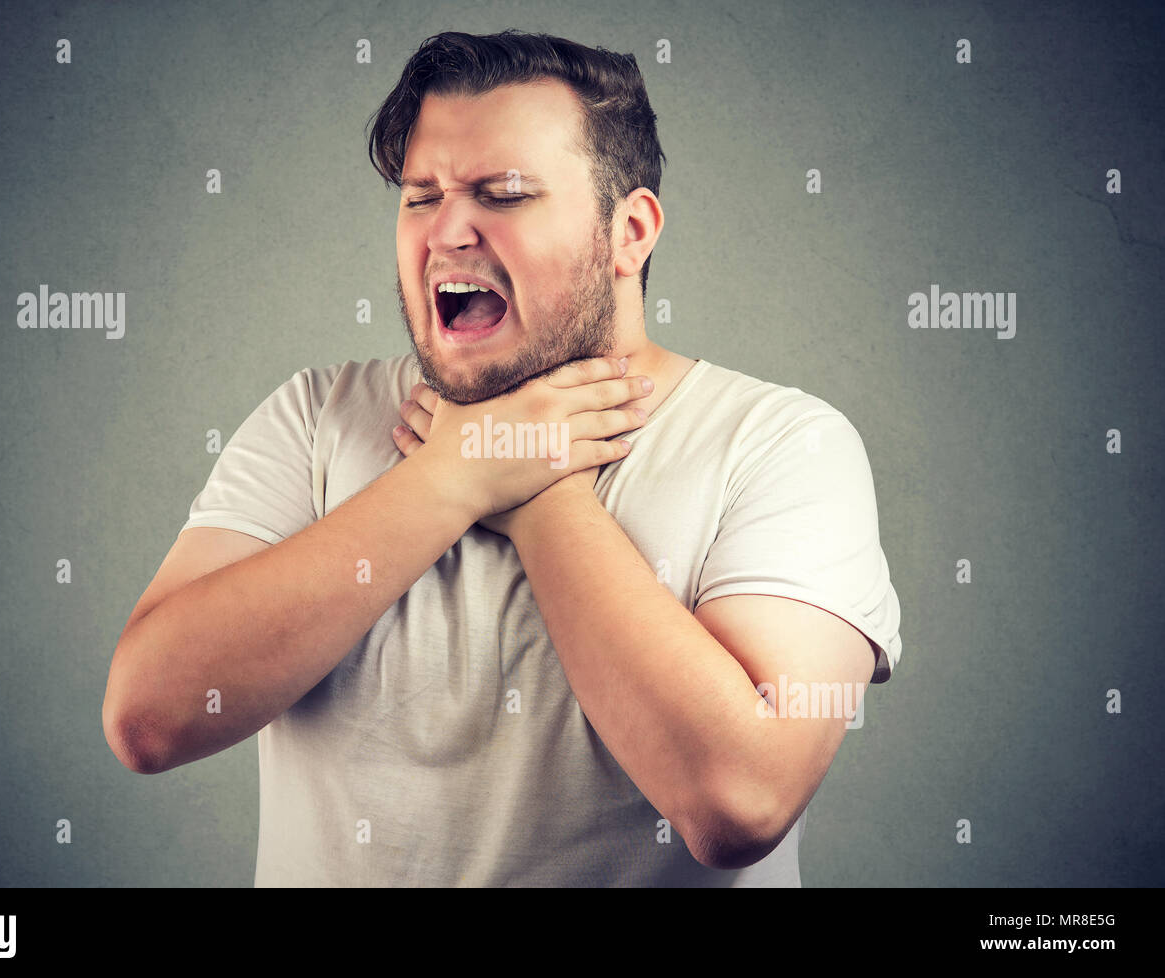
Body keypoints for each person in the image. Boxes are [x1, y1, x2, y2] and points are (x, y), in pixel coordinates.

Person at [102, 30, 902, 887]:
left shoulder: (782, 444)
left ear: (630, 232)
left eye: (505, 193)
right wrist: (453, 477)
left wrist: (541, 495)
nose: (447, 231)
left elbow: (740, 801)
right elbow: (149, 721)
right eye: (421, 197)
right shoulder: (314, 418)